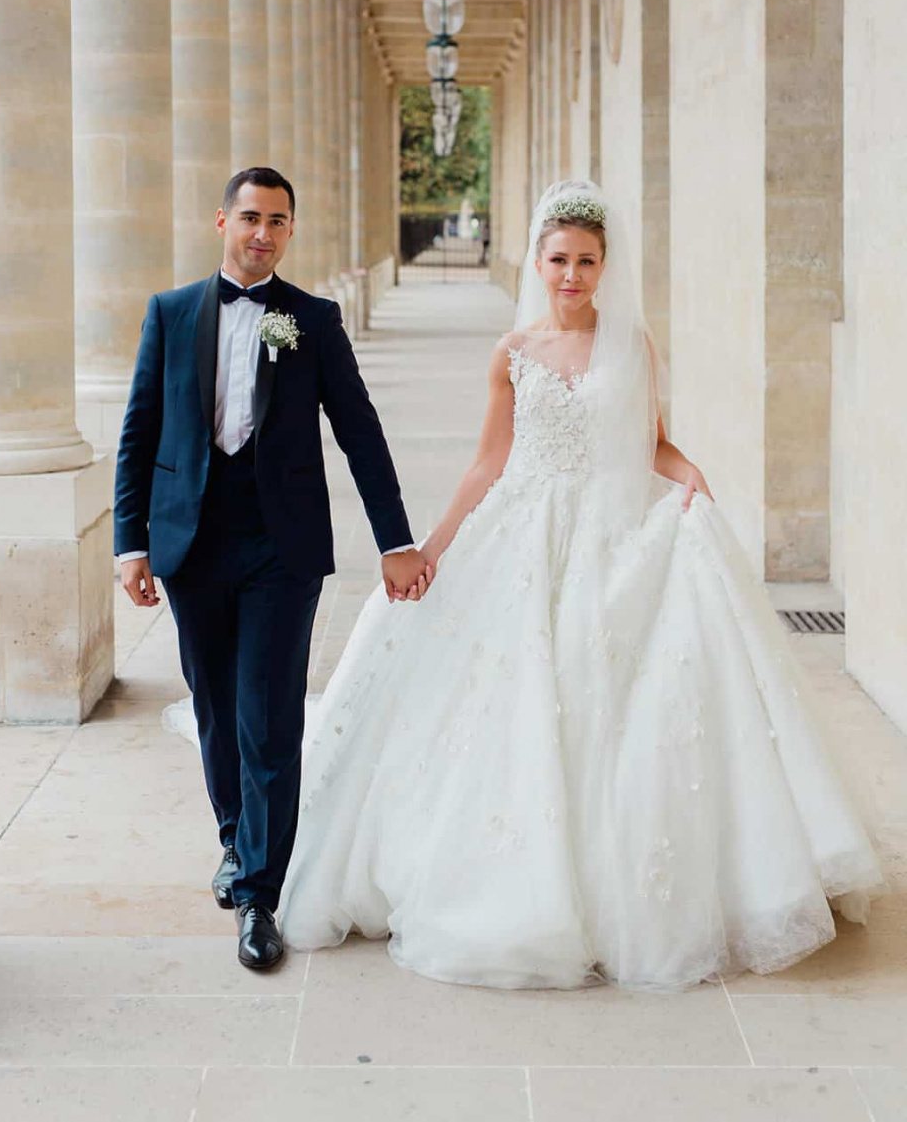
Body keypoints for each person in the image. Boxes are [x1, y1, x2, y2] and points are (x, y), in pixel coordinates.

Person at [273, 178, 884, 992]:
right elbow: (488, 462)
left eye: (586, 261)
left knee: (610, 695)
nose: (572, 275)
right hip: (522, 533)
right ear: (538, 260)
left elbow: (651, 442)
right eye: (559, 259)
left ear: (604, 265)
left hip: (607, 534)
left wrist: (689, 473)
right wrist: (431, 549)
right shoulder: (512, 352)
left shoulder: (633, 346)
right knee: (511, 697)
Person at [115, 167, 432, 972]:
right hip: (191, 541)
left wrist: (395, 539)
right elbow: (139, 431)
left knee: (269, 714)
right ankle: (236, 839)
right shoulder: (170, 312)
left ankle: (260, 893)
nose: (263, 232)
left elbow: (360, 431)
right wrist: (130, 543)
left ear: (291, 230)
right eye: (251, 216)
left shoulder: (312, 320)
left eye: (278, 220)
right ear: (222, 220)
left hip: (280, 547)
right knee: (216, 706)